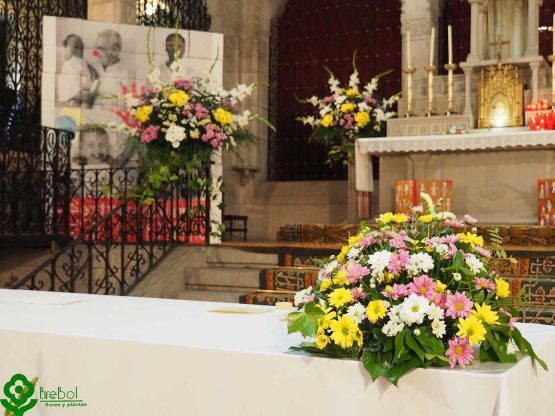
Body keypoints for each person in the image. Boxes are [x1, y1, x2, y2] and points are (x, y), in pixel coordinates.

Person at [57, 34, 98, 108]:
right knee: (87, 97)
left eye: (81, 48)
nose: (79, 50)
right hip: (71, 90)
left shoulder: (82, 61)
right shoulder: (68, 60)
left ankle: (82, 103)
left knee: (86, 98)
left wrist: (92, 70)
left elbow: (89, 71)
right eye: (76, 47)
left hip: (79, 88)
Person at [91, 29, 130, 108]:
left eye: (101, 49)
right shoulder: (93, 70)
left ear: (115, 50)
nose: (96, 54)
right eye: (96, 49)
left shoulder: (125, 75)